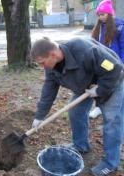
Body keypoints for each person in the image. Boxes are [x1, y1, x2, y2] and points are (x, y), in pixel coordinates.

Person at [30, 37, 124, 176]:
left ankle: (110, 163)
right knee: (75, 112)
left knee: (111, 122)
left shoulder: (85, 50)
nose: (42, 67)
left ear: (53, 54)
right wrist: (39, 116)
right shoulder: (51, 67)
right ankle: (80, 145)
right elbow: (48, 91)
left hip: (111, 83)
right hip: (84, 86)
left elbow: (115, 69)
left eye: (42, 63)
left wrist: (99, 90)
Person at [89, 0, 124, 118]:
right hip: (103, 63)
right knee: (102, 83)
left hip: (117, 63)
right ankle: (99, 107)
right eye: (98, 15)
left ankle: (118, 106)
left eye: (102, 14)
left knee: (117, 85)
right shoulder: (99, 27)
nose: (100, 17)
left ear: (109, 14)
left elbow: (123, 46)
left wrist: (122, 63)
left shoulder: (119, 26)